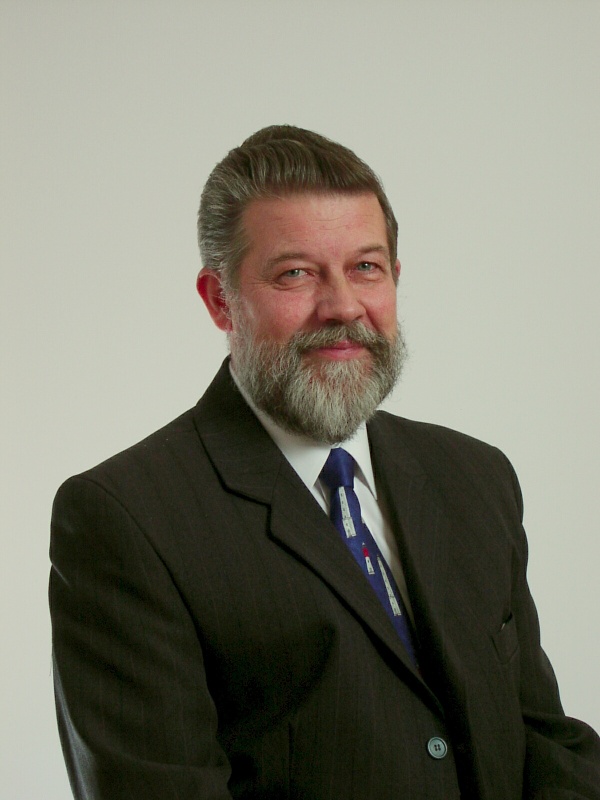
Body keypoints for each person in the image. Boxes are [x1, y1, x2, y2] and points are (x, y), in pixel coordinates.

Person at [50, 125, 600, 800]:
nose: (343, 306)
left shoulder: (475, 477)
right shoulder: (127, 518)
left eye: (366, 267)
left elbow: (542, 739)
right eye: (296, 274)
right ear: (220, 299)